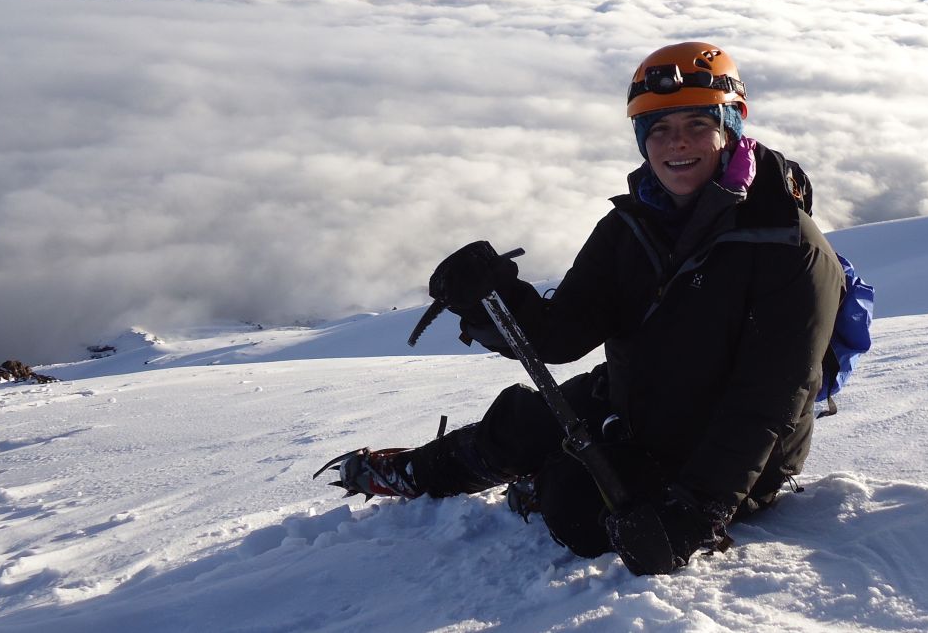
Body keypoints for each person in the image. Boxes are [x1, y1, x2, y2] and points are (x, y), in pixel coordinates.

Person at [324, 42, 845, 575]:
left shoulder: (789, 247)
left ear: (730, 128)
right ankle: (415, 471)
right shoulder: (631, 226)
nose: (677, 144)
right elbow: (562, 335)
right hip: (638, 402)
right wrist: (493, 299)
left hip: (733, 457)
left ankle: (539, 484)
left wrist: (698, 511)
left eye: (696, 124)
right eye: (658, 129)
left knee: (575, 504)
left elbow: (768, 401)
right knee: (521, 426)